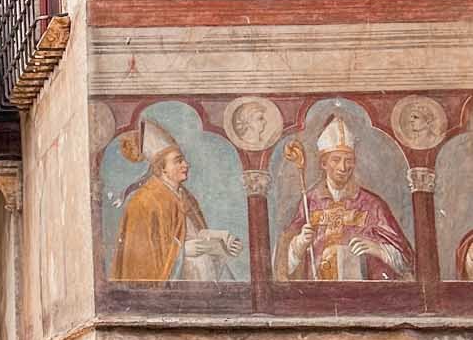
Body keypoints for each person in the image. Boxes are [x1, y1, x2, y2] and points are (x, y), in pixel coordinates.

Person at [274, 115, 413, 283]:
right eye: (336, 160)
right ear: (323, 163)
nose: (343, 167)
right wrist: (299, 243)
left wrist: (379, 250)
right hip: (317, 294)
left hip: (363, 296)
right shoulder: (309, 202)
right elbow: (283, 264)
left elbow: (407, 261)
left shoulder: (372, 204)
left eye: (349, 161)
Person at [111, 120, 243, 285]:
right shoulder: (142, 202)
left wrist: (223, 239)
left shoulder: (185, 197)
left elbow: (191, 234)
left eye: (184, 160)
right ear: (162, 168)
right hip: (175, 290)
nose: (186, 165)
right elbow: (140, 262)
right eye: (178, 161)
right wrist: (182, 252)